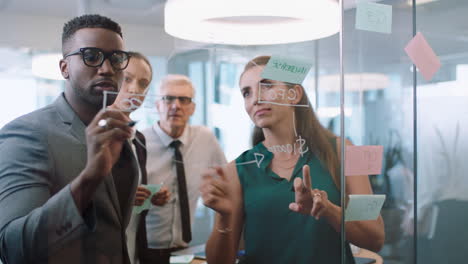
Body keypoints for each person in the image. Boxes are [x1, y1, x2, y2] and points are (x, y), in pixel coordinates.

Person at [200, 56, 385, 264]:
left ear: (294, 94)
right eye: (246, 93)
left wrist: (328, 210)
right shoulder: (236, 169)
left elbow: (375, 237)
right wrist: (225, 217)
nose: (255, 99)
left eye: (267, 85)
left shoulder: (347, 150)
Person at [0, 14, 139, 264]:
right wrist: (90, 177)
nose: (107, 69)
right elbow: (14, 248)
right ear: (64, 68)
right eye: (91, 56)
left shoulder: (117, 131)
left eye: (116, 58)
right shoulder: (28, 133)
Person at [138, 74, 227, 264]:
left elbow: (227, 180)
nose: (176, 105)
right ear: (157, 105)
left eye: (184, 100)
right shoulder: (138, 142)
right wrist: (145, 197)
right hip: (142, 249)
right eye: (169, 98)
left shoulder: (205, 138)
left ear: (192, 108)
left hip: (185, 250)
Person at [110, 51, 171, 264]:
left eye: (143, 84)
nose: (135, 89)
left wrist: (149, 197)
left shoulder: (139, 140)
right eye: (127, 79)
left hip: (133, 248)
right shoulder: (93, 135)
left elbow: (133, 198)